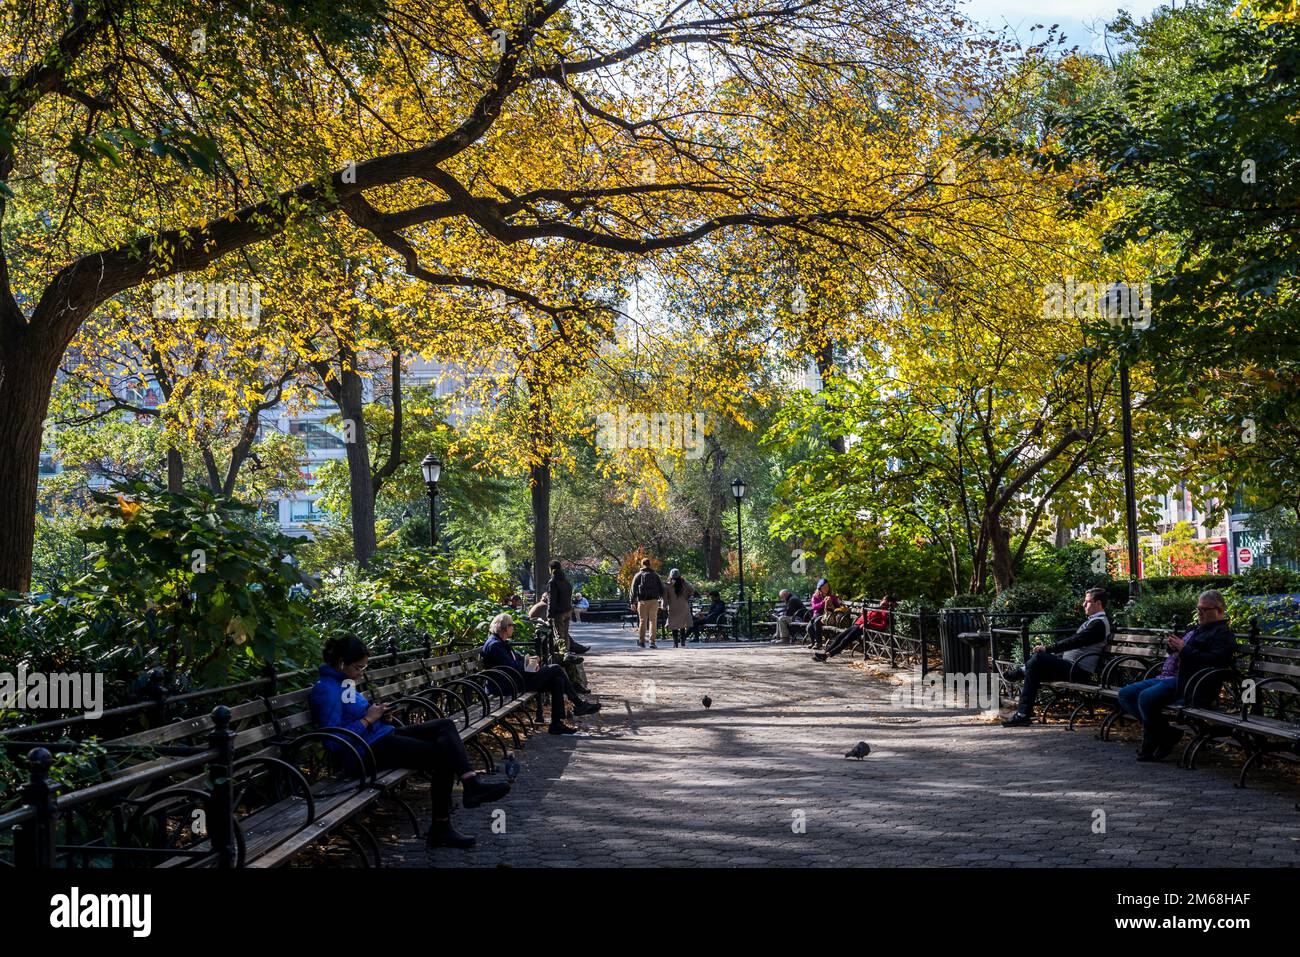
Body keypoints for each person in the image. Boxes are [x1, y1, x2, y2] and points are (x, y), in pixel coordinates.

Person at [308, 634, 510, 849]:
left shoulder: (344, 682)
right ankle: (441, 828)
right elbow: (333, 741)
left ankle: (471, 783)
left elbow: (354, 715)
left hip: (381, 736)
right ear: (341, 663)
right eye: (358, 668)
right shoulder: (326, 690)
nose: (360, 675)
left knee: (445, 726)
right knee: (442, 757)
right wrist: (368, 719)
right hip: (362, 753)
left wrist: (380, 715)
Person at [1116, 589, 1236, 761]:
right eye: (1198, 609)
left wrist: (1184, 649)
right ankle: (1167, 734)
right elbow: (1176, 651)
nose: (1199, 613)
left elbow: (1214, 662)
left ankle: (1150, 744)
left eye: (1204, 610)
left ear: (1219, 610)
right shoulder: (1194, 628)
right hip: (1170, 677)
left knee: (1145, 698)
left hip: (1191, 683)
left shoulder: (1223, 634)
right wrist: (1172, 646)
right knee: (1125, 694)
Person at [1001, 588, 1111, 727]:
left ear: (1098, 603)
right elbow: (1076, 642)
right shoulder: (1094, 622)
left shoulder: (1099, 624)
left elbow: (1075, 641)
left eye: (1087, 602)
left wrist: (1048, 649)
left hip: (1078, 671)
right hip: (1071, 667)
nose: (1084, 604)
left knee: (1038, 658)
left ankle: (1019, 672)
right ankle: (1023, 715)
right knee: (1033, 670)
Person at [481, 613, 601, 733]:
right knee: (555, 668)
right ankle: (578, 704)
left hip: (513, 680)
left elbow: (516, 659)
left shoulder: (500, 642)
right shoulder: (495, 645)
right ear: (505, 627)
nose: (513, 628)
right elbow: (510, 667)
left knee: (557, 681)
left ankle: (556, 724)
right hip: (506, 686)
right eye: (512, 625)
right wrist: (528, 665)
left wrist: (530, 660)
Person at [813, 595, 896, 661]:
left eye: (884, 602)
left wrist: (868, 625)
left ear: (888, 603)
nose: (881, 602)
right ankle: (825, 654)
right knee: (840, 637)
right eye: (882, 600)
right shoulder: (878, 608)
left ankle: (827, 655)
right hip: (857, 624)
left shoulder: (884, 611)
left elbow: (883, 625)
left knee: (846, 640)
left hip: (862, 627)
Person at [545, 560, 589, 655]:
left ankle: (563, 653)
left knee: (559, 634)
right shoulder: (566, 581)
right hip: (568, 610)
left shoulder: (552, 582)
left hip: (558, 612)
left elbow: (551, 600)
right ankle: (567, 651)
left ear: (551, 569)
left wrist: (549, 615)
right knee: (566, 633)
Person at [629, 558, 665, 648]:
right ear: (650, 564)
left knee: (642, 621)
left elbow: (633, 589)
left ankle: (641, 641)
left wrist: (632, 602)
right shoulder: (655, 575)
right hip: (654, 601)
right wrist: (662, 599)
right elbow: (662, 589)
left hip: (642, 601)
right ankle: (652, 642)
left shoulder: (638, 575)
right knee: (653, 621)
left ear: (642, 564)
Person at [662, 568, 697, 648]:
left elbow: (665, 597)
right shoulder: (684, 583)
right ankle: (683, 642)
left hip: (673, 607)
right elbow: (692, 590)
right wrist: (687, 597)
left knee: (674, 625)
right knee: (682, 625)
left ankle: (675, 643)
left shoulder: (667, 585)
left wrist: (664, 605)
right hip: (683, 606)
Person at [807, 579, 843, 648]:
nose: (826, 589)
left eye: (827, 587)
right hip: (818, 614)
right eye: (824, 587)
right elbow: (814, 607)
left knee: (817, 622)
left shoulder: (832, 597)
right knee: (809, 627)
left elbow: (837, 607)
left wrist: (831, 602)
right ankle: (813, 642)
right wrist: (823, 602)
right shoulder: (815, 596)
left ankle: (818, 643)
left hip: (828, 616)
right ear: (820, 588)